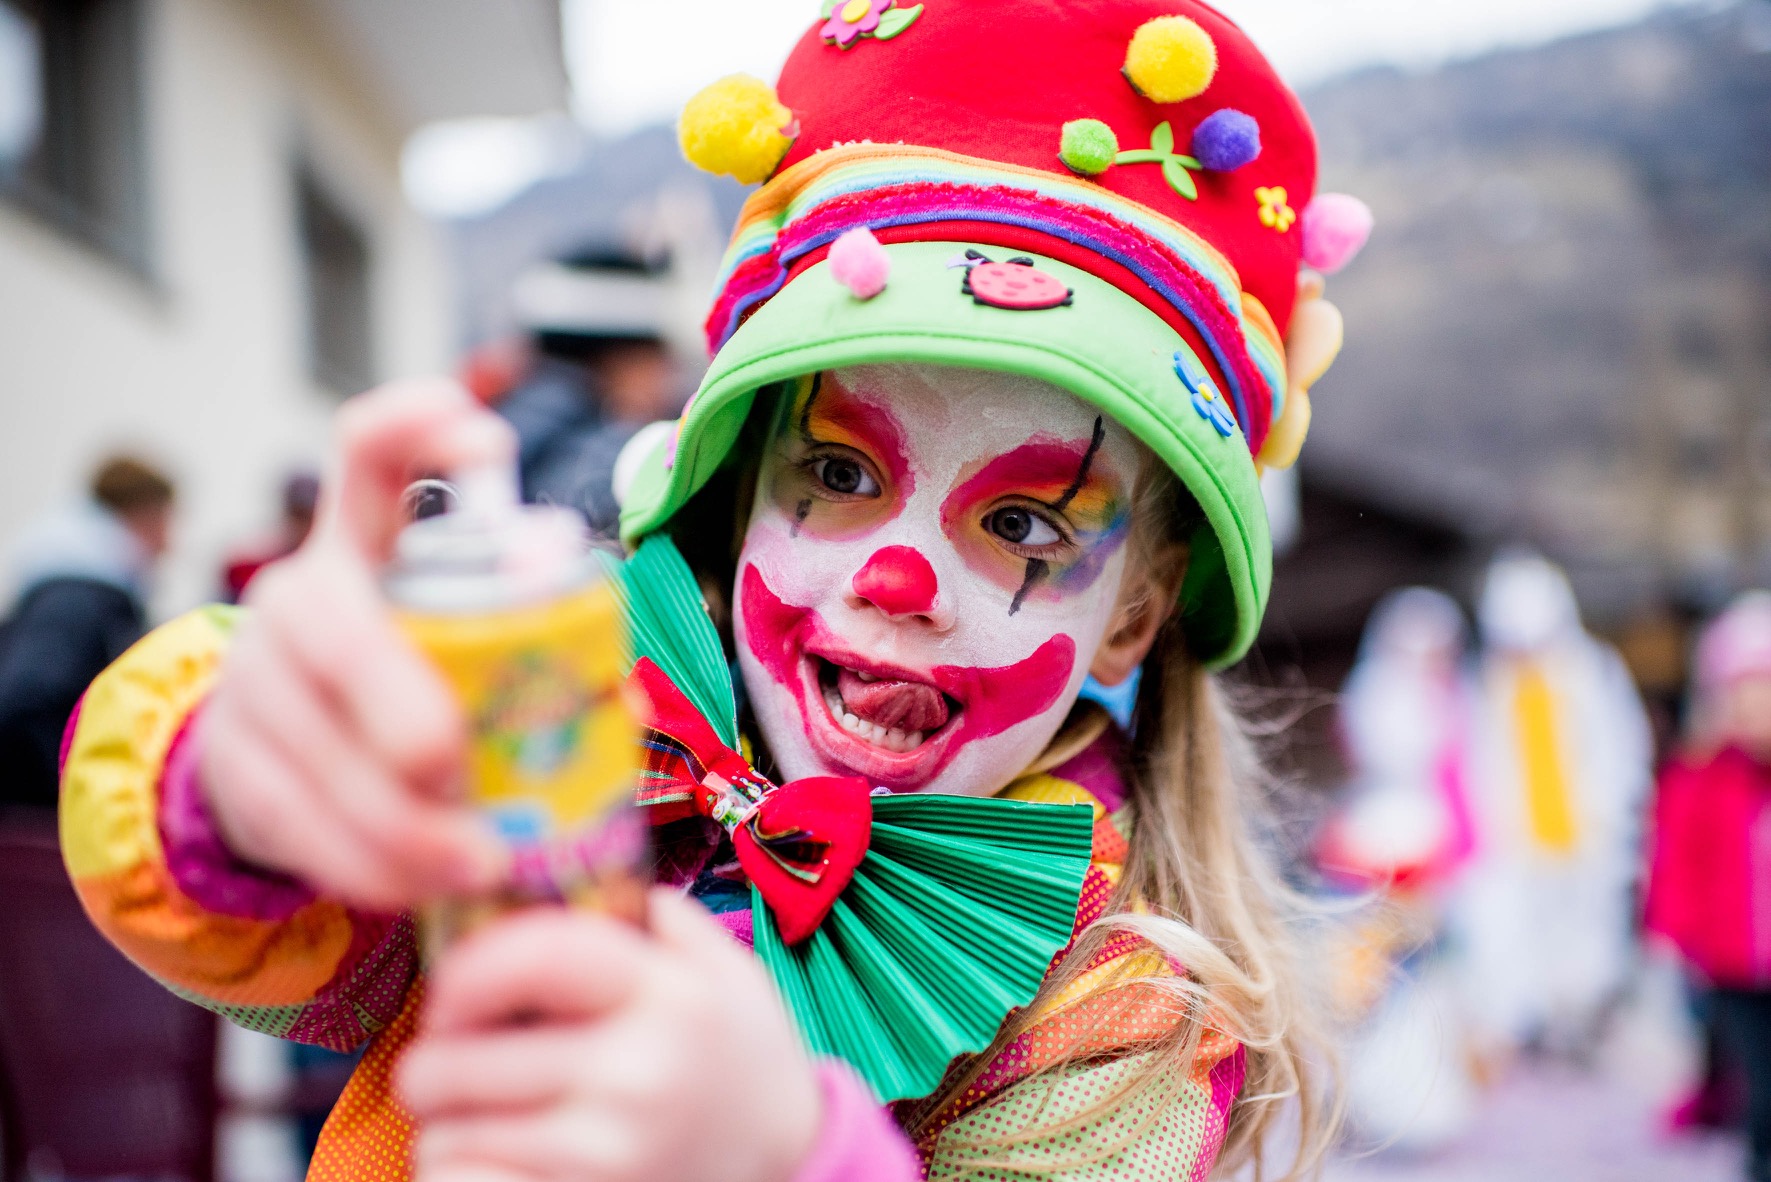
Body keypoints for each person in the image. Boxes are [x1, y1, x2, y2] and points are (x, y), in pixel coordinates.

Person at [58, 4, 1374, 1177]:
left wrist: (793, 1157)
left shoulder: (1122, 1013)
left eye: (1022, 521)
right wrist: (244, 778)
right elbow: (252, 943)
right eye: (839, 472)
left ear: (1132, 617)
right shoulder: (557, 718)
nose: (897, 579)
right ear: (735, 500)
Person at [1453, 551, 1652, 1060]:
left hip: (1588, 837)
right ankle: (1537, 1030)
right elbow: (1479, 765)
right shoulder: (1488, 685)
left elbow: (1623, 750)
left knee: (1590, 941)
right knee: (1521, 943)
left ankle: (1584, 1024)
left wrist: (1620, 818)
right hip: (1517, 842)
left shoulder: (1594, 673)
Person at [1647, 591, 1771, 1181]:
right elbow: (1678, 859)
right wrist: (1676, 930)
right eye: (1742, 694)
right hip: (1734, 959)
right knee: (1757, 1075)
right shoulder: (1704, 774)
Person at [0, 455, 174, 808]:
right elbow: (27, 704)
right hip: (41, 817)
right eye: (165, 522)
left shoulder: (67, 589)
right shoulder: (80, 599)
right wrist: (74, 796)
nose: (168, 543)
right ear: (142, 516)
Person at [221, 472, 320, 603]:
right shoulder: (251, 566)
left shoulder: (329, 570)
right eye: (297, 515)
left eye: (307, 516)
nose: (302, 525)